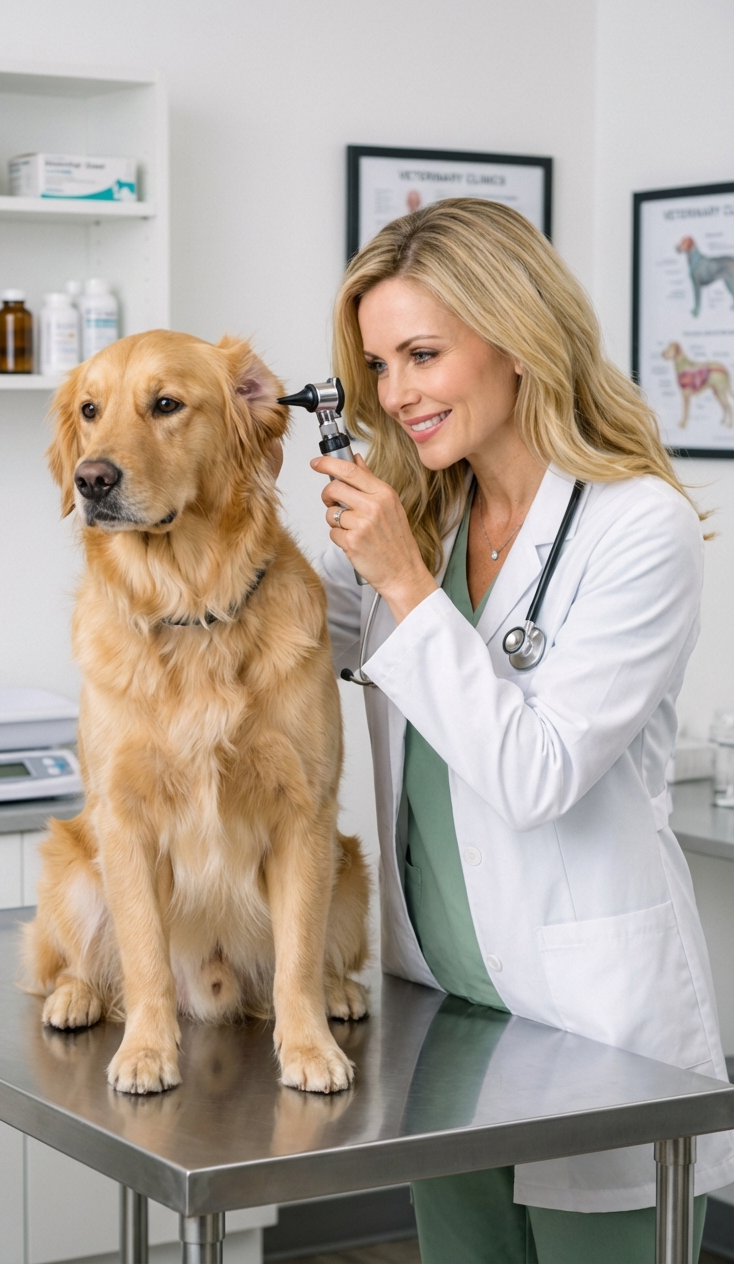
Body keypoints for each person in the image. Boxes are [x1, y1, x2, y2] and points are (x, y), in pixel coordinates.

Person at [308, 198, 734, 1264]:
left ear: (514, 337)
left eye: (421, 354)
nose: (395, 394)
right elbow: (265, 630)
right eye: (377, 365)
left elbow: (534, 773)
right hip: (447, 1022)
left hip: (592, 1029)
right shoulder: (428, 510)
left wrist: (405, 582)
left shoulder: (637, 526)